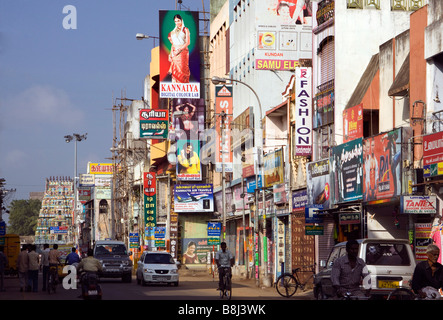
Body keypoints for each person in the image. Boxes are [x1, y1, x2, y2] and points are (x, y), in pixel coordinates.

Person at [167, 14, 191, 83]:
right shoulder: (173, 32)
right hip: (174, 52)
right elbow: (173, 45)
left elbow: (187, 42)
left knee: (183, 70)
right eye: (175, 21)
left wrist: (179, 50)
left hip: (182, 52)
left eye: (178, 21)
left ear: (181, 20)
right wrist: (170, 54)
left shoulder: (185, 29)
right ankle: (175, 88)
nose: (177, 23)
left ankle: (183, 87)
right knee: (175, 70)